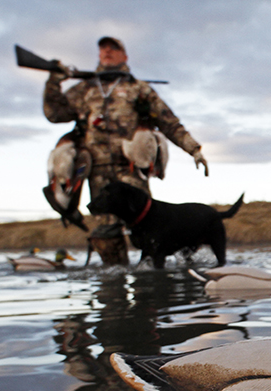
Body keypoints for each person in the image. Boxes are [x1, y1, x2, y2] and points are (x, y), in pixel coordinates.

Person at [43, 36, 208, 264]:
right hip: (97, 172)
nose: (107, 51)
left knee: (147, 229)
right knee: (106, 235)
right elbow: (54, 113)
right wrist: (53, 82)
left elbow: (168, 122)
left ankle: (149, 286)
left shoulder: (138, 89)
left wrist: (194, 149)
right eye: (103, 48)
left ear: (124, 56)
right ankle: (114, 288)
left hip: (131, 169)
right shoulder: (85, 89)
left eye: (114, 48)